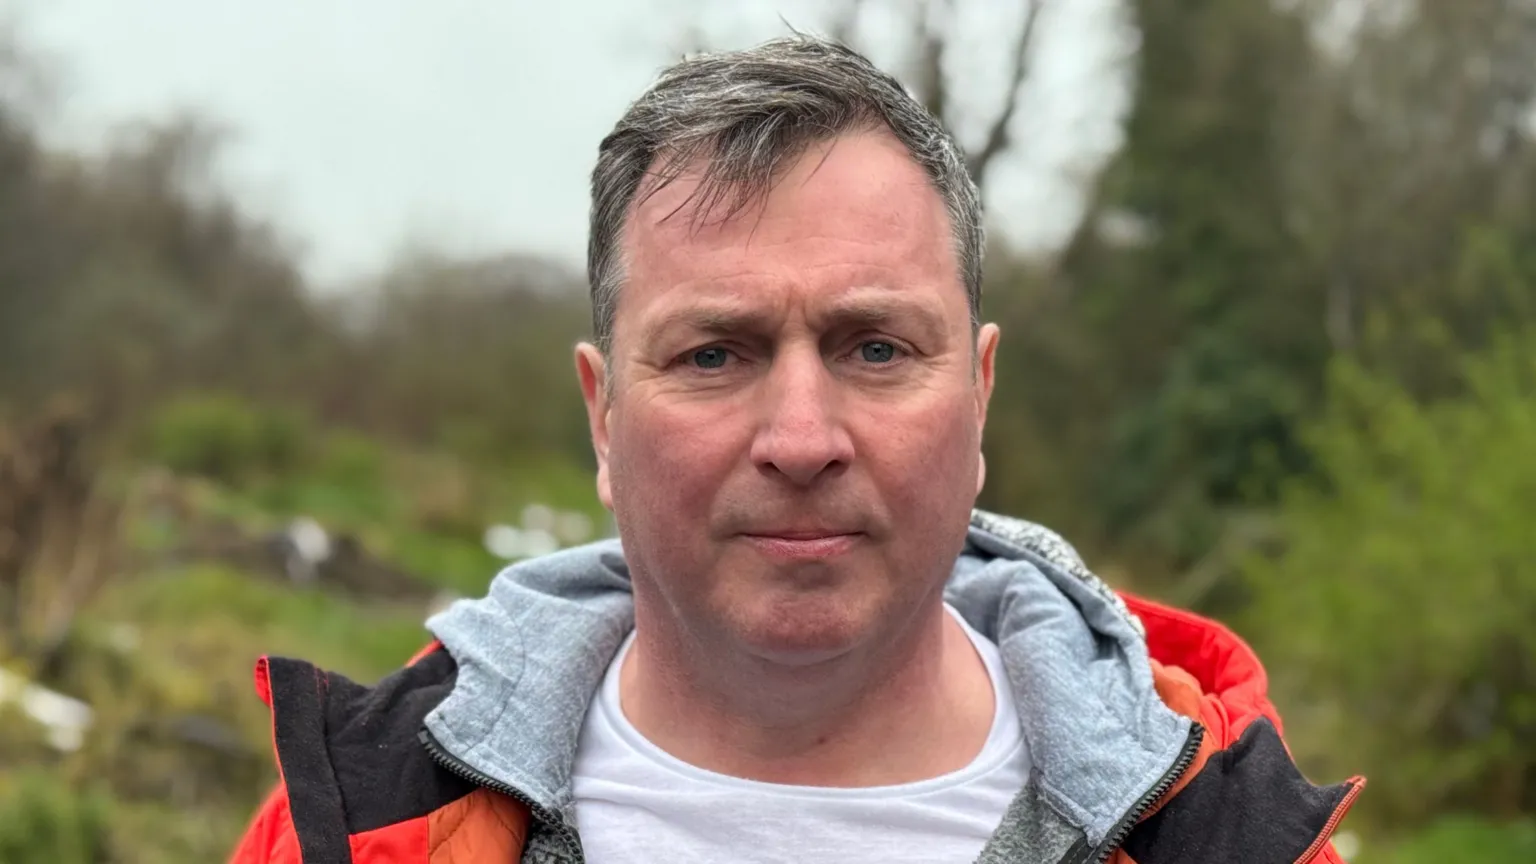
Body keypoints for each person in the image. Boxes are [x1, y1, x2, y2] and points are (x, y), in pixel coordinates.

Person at [229, 35, 1361, 864]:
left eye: (875, 347)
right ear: (603, 417)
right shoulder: (358, 820)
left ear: (978, 395)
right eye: (715, 354)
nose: (803, 439)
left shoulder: (1222, 837)